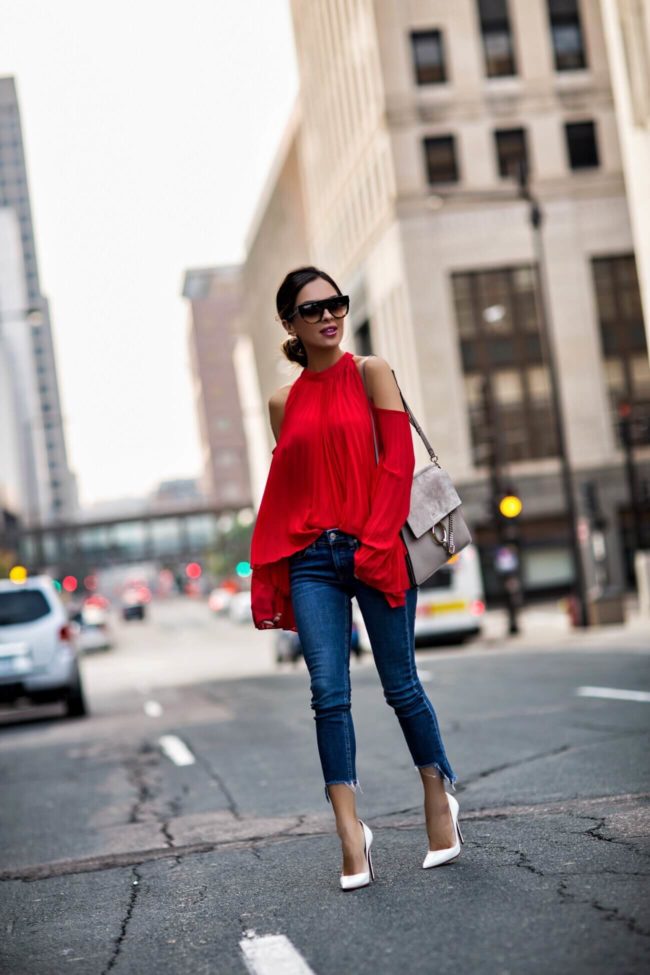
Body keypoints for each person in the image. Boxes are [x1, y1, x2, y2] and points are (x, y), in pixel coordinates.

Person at [250, 266, 462, 890]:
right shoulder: (281, 402)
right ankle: (349, 831)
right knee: (328, 694)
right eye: (311, 310)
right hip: (313, 558)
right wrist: (281, 560)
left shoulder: (372, 371)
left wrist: (375, 545)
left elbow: (396, 464)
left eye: (335, 305)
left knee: (401, 685)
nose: (327, 317)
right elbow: (291, 485)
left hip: (376, 544)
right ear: (289, 323)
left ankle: (438, 794)